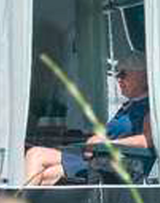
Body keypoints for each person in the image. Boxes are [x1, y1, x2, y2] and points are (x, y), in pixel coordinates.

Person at [22, 52, 152, 186]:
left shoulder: (148, 107)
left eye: (123, 74)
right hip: (97, 158)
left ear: (142, 76)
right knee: (43, 172)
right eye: (117, 74)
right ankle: (23, 199)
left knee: (36, 155)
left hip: (111, 164)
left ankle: (19, 199)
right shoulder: (128, 106)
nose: (118, 79)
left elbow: (146, 141)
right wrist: (96, 139)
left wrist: (108, 143)